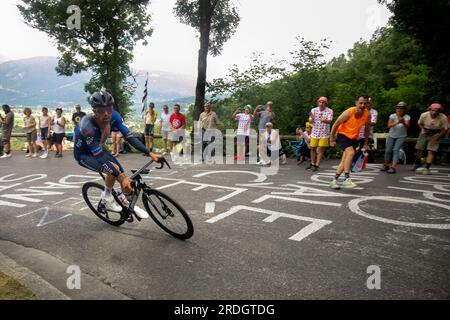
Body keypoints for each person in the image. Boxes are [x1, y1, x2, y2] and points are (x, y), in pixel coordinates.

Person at [74, 90, 162, 217]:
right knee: (116, 172)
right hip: (84, 154)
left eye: (109, 109)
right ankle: (110, 200)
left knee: (118, 171)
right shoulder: (86, 126)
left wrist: (149, 153)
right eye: (101, 110)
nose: (106, 114)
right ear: (94, 111)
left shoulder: (114, 116)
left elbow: (130, 137)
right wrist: (121, 178)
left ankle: (117, 200)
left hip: (97, 148)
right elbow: (98, 156)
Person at [329, 95, 371, 189]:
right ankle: (346, 179)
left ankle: (334, 180)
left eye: (365, 103)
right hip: (343, 135)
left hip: (354, 138)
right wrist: (331, 139)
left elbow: (367, 129)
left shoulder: (367, 114)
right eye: (360, 103)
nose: (362, 105)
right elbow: (335, 124)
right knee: (350, 153)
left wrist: (365, 143)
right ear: (356, 103)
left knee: (345, 160)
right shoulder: (349, 112)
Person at [411, 103, 448, 175]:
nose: (434, 112)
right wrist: (422, 129)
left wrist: (438, 136)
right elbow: (420, 123)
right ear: (430, 110)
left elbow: (445, 129)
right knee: (419, 148)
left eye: (437, 111)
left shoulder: (443, 117)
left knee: (431, 150)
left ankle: (427, 168)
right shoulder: (424, 115)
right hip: (425, 130)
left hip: (436, 133)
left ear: (439, 111)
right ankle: (418, 162)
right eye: (433, 110)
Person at [381, 102, 410, 174]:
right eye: (398, 108)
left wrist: (403, 122)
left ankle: (393, 167)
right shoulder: (392, 116)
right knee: (388, 150)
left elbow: (407, 127)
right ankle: (386, 164)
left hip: (401, 136)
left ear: (404, 109)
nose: (399, 109)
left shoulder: (407, 117)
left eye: (401, 108)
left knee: (396, 150)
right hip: (392, 135)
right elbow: (389, 125)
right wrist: (397, 122)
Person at [307, 96, 333, 172]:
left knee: (321, 150)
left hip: (324, 133)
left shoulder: (330, 111)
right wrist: (312, 119)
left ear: (326, 103)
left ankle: (317, 165)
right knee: (312, 148)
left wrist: (325, 120)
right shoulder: (313, 110)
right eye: (320, 102)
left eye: (323, 102)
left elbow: (330, 121)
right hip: (315, 132)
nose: (321, 104)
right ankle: (312, 163)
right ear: (318, 102)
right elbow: (310, 121)